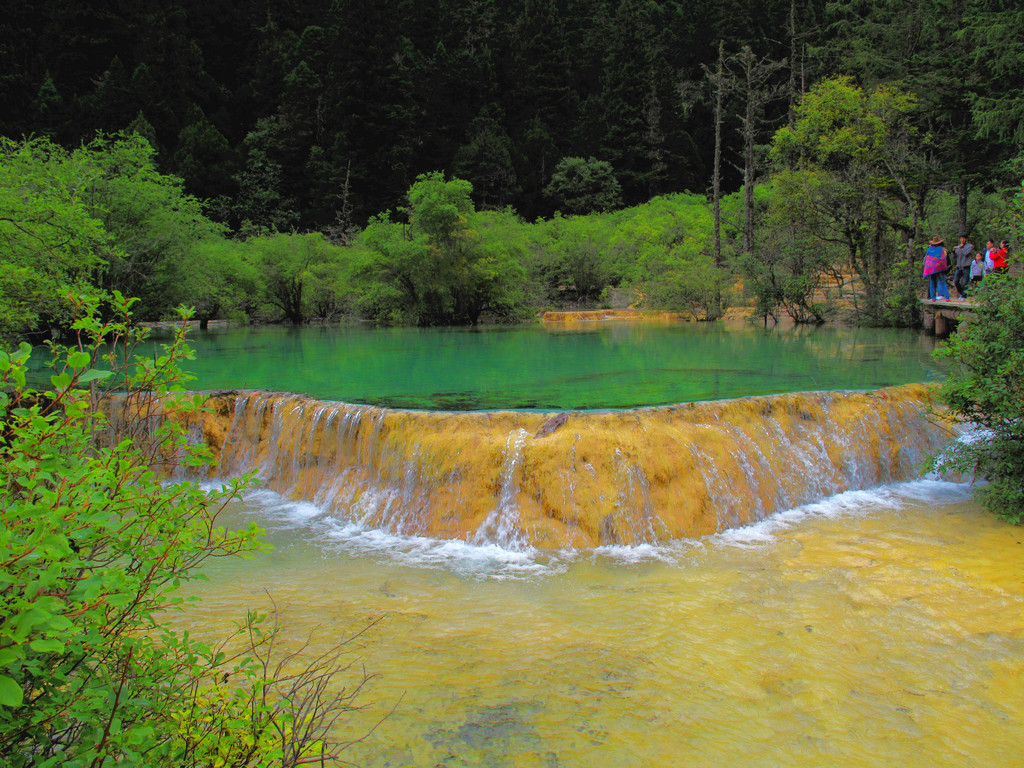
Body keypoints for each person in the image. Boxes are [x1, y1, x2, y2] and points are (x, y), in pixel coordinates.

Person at [923, 235, 950, 301]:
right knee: (942, 282)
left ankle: (933, 298)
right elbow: (944, 259)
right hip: (940, 268)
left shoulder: (929, 250)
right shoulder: (943, 250)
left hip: (931, 268)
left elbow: (926, 259)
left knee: (932, 282)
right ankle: (947, 297)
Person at [951, 234, 974, 299]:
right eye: (961, 238)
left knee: (965, 282)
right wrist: (953, 251)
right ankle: (962, 293)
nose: (962, 240)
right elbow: (954, 257)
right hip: (959, 266)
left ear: (966, 239)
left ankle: (964, 295)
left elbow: (966, 253)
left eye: (964, 238)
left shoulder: (970, 246)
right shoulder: (958, 247)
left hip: (966, 266)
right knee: (956, 281)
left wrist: (961, 248)